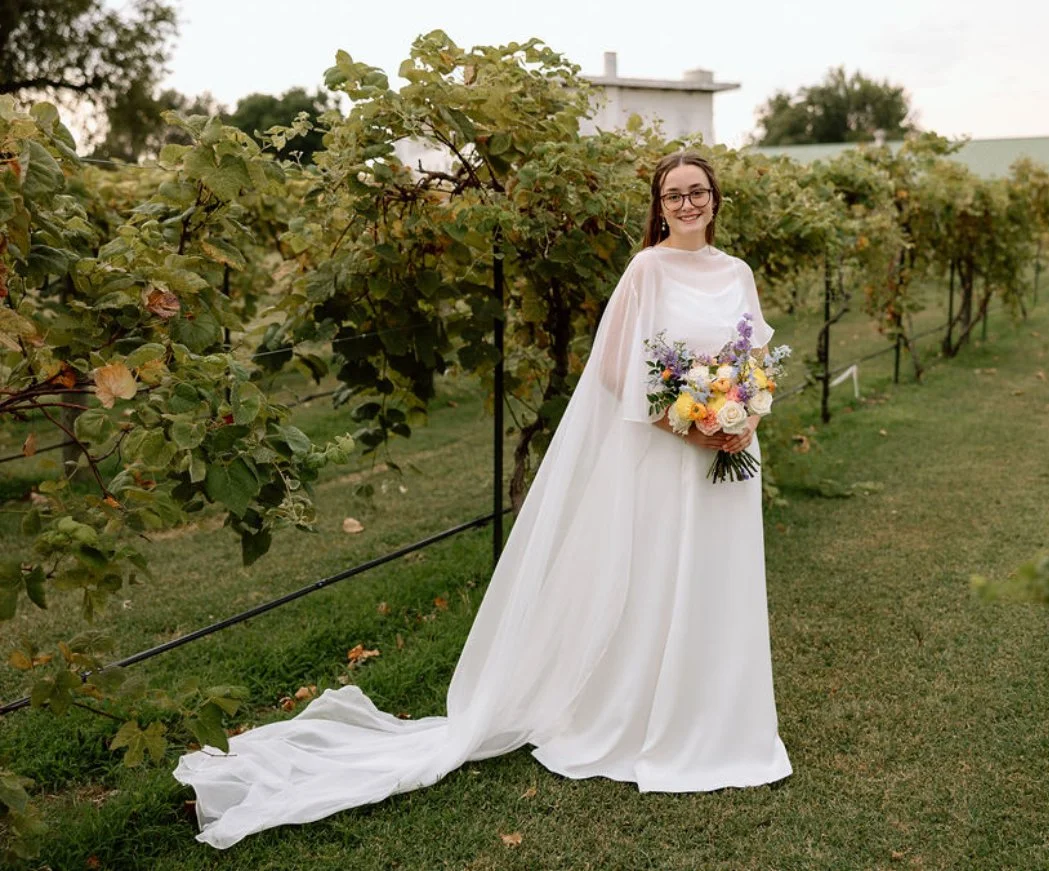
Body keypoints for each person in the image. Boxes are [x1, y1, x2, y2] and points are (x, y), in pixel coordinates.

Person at [173, 150, 792, 849]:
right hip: (668, 447)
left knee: (717, 581)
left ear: (715, 198)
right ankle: (648, 714)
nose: (688, 204)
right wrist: (689, 419)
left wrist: (741, 418)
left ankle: (723, 716)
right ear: (659, 204)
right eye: (674, 194)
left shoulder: (737, 272)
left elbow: (756, 363)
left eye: (698, 192)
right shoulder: (645, 269)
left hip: (729, 451)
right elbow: (616, 368)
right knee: (659, 579)